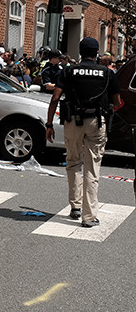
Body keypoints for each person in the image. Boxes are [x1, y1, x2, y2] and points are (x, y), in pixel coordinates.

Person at [46, 37, 121, 228]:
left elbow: (55, 97)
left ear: (80, 52)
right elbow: (118, 101)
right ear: (96, 53)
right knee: (92, 167)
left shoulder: (69, 70)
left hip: (72, 121)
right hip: (96, 122)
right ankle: (88, 216)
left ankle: (75, 207)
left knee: (73, 162)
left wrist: (49, 124)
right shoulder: (107, 72)